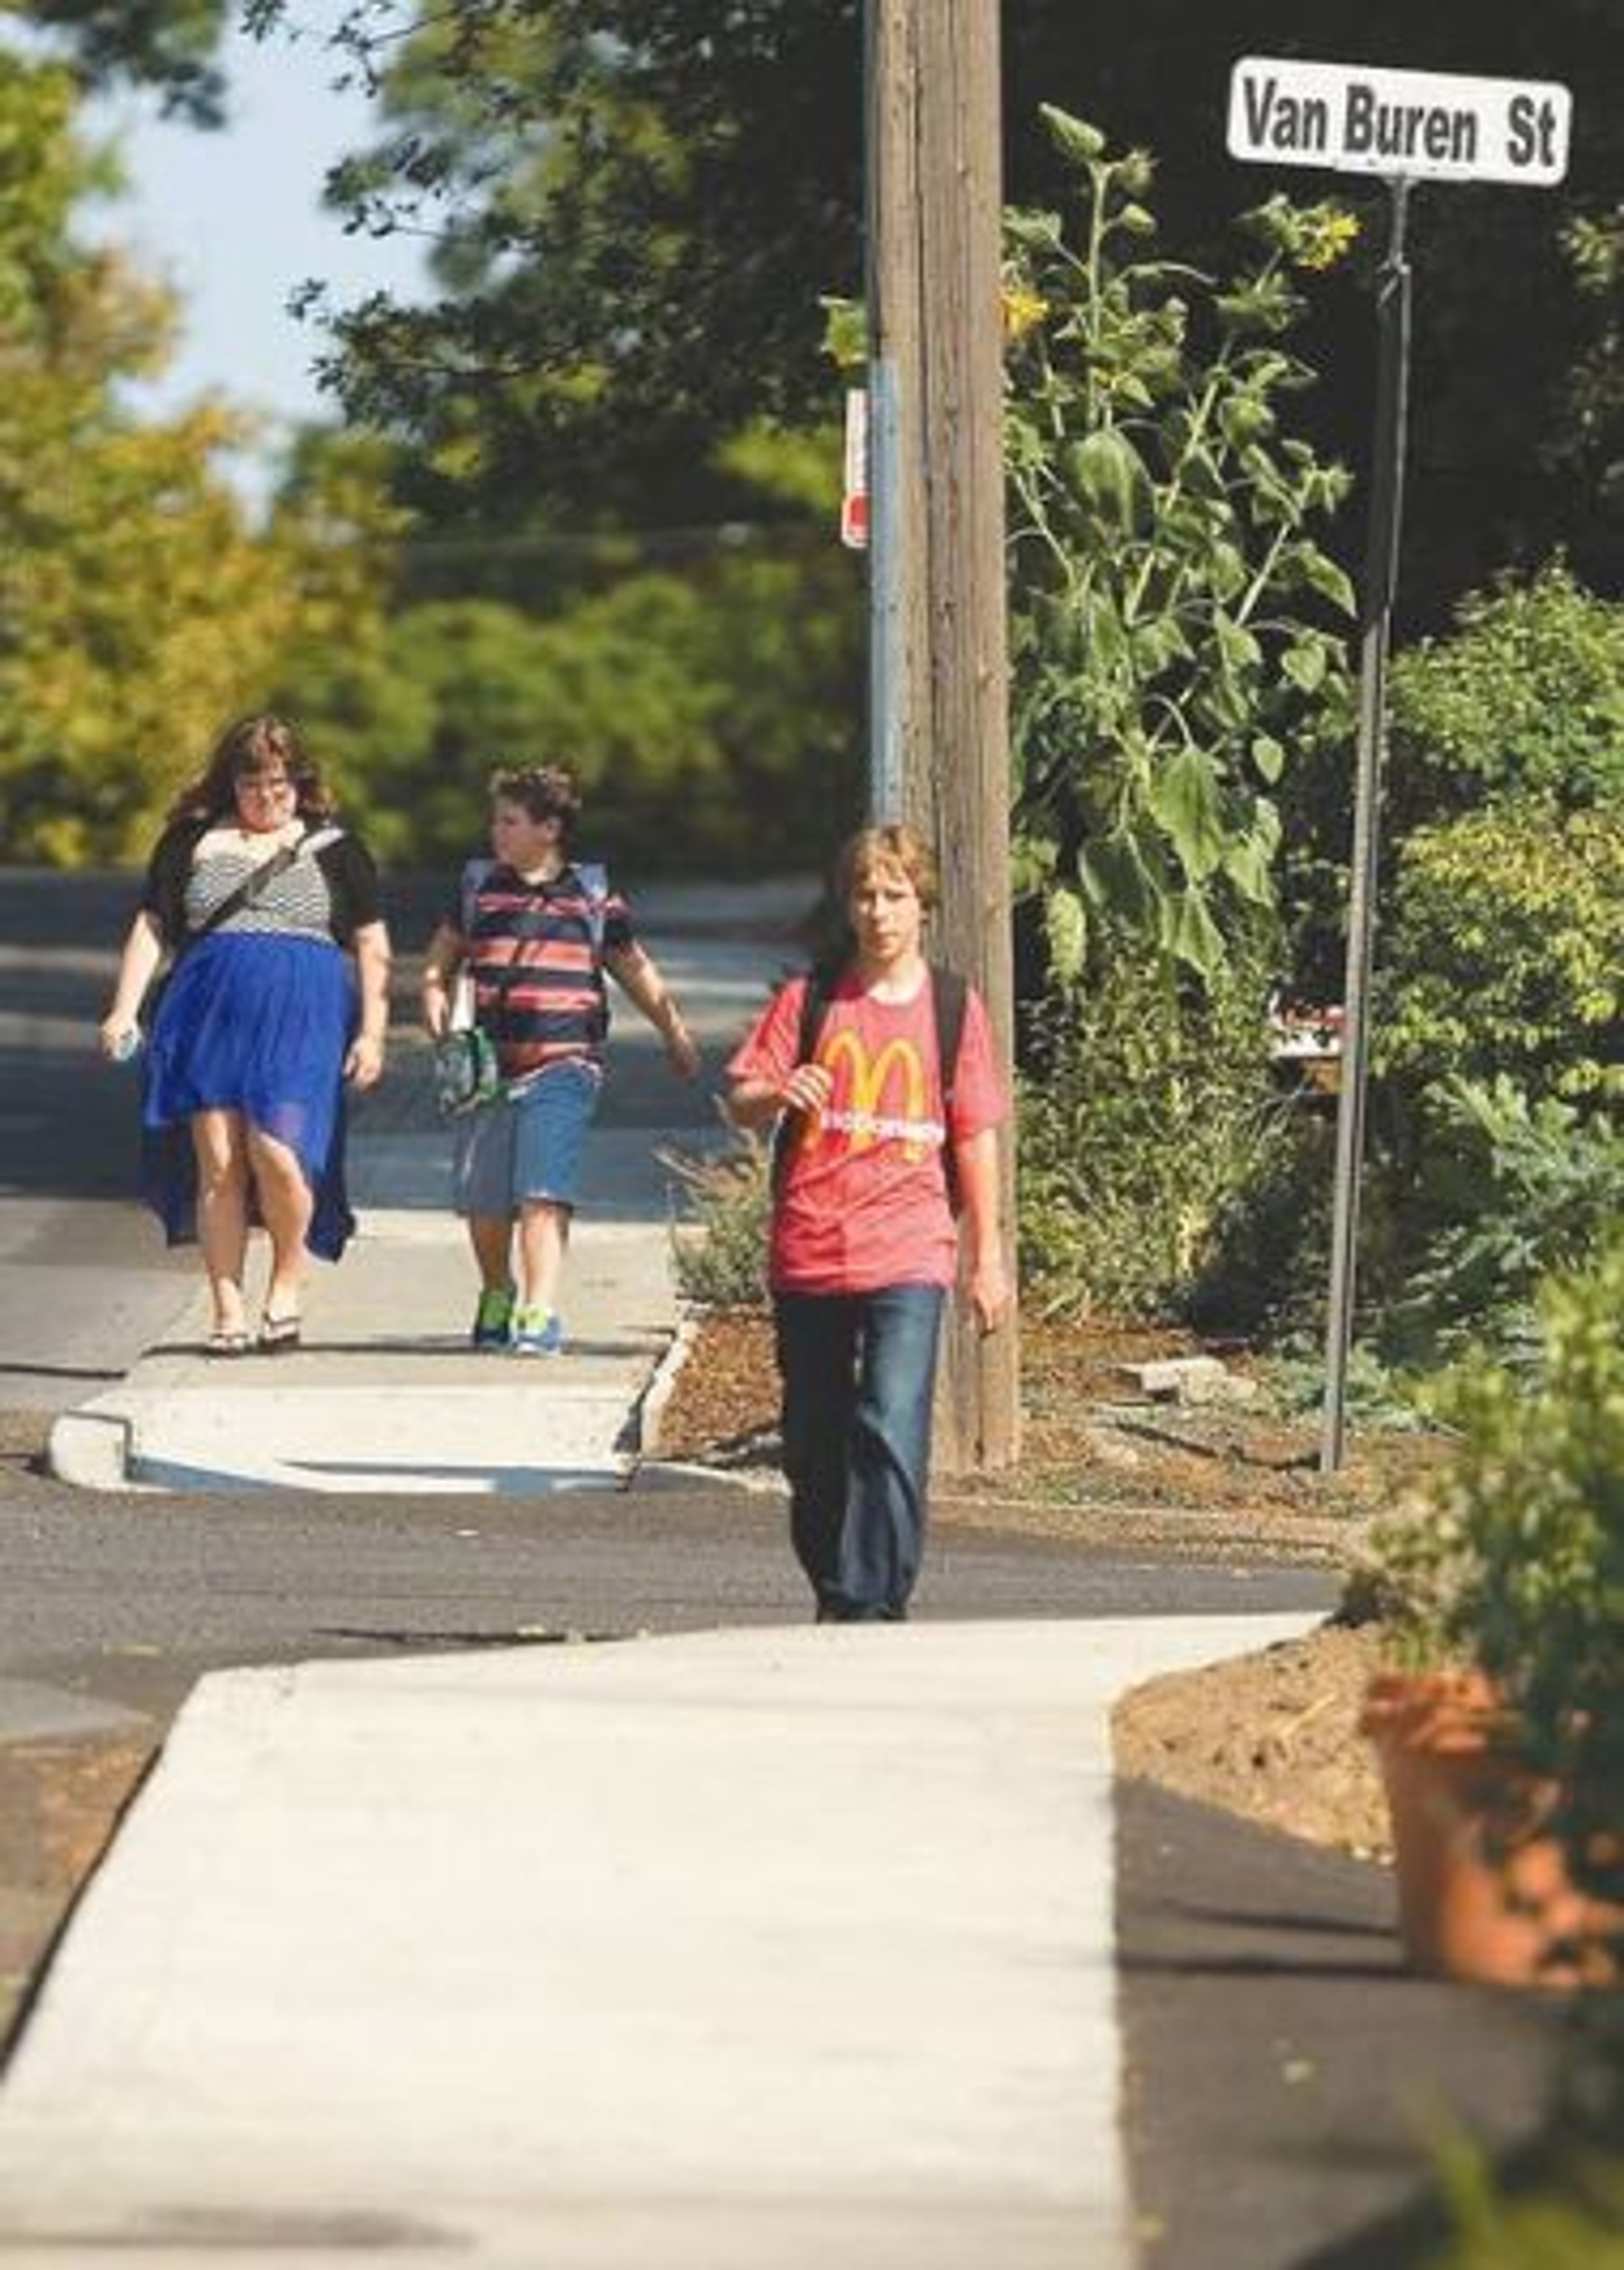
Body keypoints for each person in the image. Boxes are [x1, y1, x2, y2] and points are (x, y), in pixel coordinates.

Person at [726, 822, 1012, 1622]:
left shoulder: (954, 1007)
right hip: (811, 1248)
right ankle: (836, 1586)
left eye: (894, 895)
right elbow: (741, 1097)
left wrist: (987, 1256)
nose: (879, 911)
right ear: (848, 905)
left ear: (921, 905)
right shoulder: (811, 999)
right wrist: (781, 1092)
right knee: (815, 1445)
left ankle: (871, 1600)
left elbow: (977, 1133)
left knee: (891, 1419)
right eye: (865, 895)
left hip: (910, 1250)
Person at [99, 713, 390, 1356]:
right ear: (231, 781)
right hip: (208, 1015)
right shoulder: (191, 842)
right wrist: (124, 1009)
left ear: (301, 783)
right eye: (254, 783)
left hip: (303, 1018)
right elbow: (154, 925)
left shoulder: (336, 847)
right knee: (222, 1165)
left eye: (281, 785)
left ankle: (286, 1283)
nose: (267, 797)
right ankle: (227, 1307)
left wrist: (373, 1032)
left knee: (281, 1156)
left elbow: (371, 942)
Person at [420, 762, 701, 1356]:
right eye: (496, 820)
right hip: (488, 1069)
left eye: (510, 821)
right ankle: (498, 1289)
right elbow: (440, 960)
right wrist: (433, 997)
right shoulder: (479, 888)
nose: (497, 831)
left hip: (566, 1064)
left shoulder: (592, 897)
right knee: (486, 1199)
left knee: (542, 1188)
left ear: (549, 829)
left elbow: (633, 968)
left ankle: (539, 1307)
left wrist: (673, 1030)